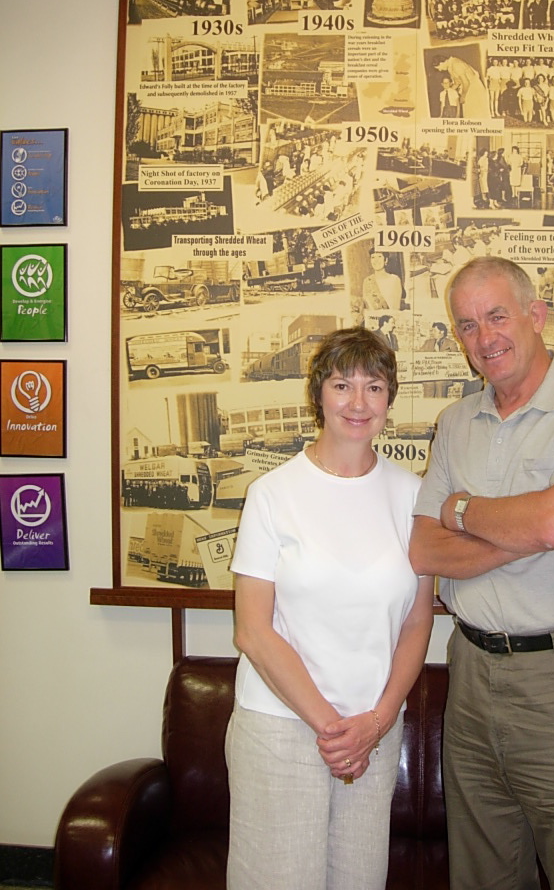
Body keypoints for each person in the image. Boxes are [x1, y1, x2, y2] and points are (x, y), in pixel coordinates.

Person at [409, 257, 554, 890]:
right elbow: (425, 549)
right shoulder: (454, 423)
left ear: (536, 316)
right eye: (466, 325)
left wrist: (466, 512)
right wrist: (529, 528)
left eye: (496, 316)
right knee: (481, 878)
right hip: (473, 679)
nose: (484, 338)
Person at [227, 328, 434, 890]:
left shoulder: (414, 496)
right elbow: (253, 631)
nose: (358, 402)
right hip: (283, 729)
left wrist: (377, 720)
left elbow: (418, 621)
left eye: (375, 386)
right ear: (319, 394)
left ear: (391, 399)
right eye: (343, 385)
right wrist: (334, 730)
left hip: (373, 728)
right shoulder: (273, 493)